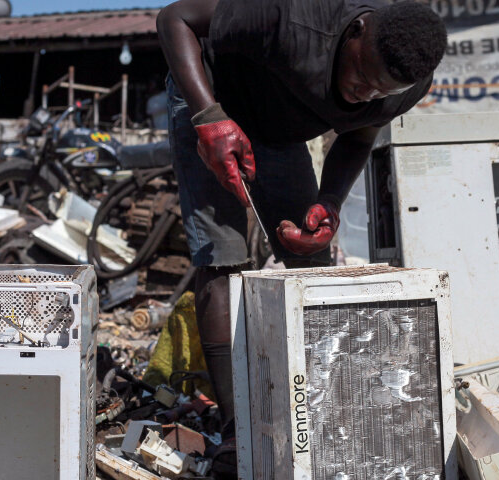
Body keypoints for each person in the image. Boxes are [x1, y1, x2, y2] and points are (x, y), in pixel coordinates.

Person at [156, 0, 446, 471]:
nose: (364, 93)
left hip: (281, 129)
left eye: (379, 91)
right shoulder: (291, 15)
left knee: (312, 264)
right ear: (355, 32)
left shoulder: (403, 81)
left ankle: (320, 410)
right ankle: (236, 432)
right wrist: (208, 118)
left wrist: (328, 203)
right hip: (215, 92)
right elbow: (175, 19)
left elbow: (356, 135)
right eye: (360, 76)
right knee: (223, 256)